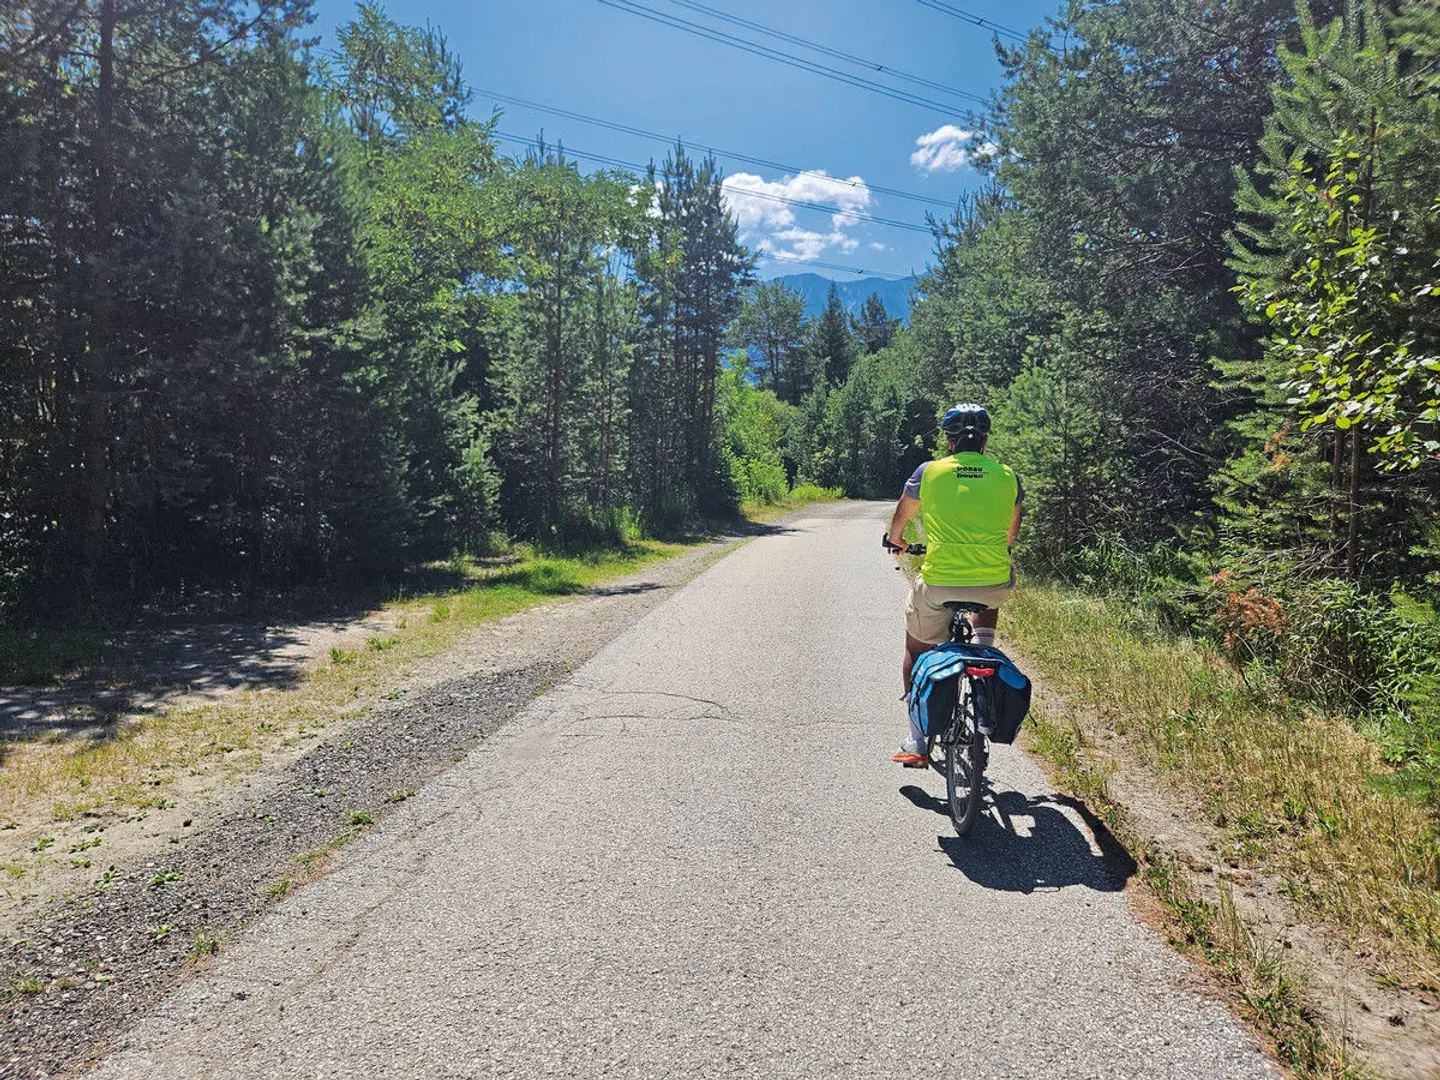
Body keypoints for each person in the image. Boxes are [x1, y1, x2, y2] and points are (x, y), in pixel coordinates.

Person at [882, 404, 1024, 767]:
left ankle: (917, 740)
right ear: (986, 440)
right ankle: (984, 670)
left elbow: (902, 514)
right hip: (992, 581)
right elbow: (1010, 532)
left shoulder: (929, 472)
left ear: (948, 439)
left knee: (916, 647)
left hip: (940, 583)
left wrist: (895, 539)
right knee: (991, 584)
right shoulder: (1008, 475)